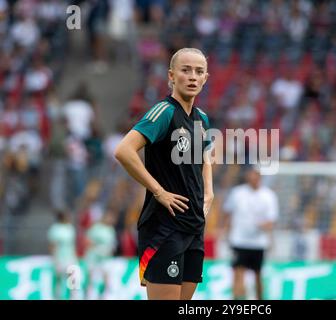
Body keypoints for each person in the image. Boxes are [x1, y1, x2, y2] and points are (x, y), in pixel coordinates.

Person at [114, 47, 214, 300]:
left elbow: (204, 156)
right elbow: (124, 150)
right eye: (186, 70)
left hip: (193, 227)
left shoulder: (202, 118)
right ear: (171, 76)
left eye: (199, 71)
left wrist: (209, 192)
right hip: (164, 227)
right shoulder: (164, 112)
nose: (193, 76)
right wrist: (159, 192)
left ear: (206, 78)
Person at [221, 166, 279, 300]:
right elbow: (227, 213)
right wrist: (224, 230)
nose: (254, 177)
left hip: (258, 243)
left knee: (258, 275)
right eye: (252, 174)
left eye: (256, 175)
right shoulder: (237, 193)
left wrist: (263, 226)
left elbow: (272, 221)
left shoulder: (268, 196)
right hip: (239, 240)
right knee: (238, 273)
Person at [84, 211, 117, 300]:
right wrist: (97, 249)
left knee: (106, 278)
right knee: (91, 279)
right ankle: (88, 296)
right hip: (93, 258)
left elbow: (112, 245)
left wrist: (109, 251)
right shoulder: (96, 228)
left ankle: (103, 296)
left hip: (105, 259)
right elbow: (88, 241)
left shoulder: (111, 230)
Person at [47, 210, 79, 300]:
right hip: (60, 259)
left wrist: (75, 256)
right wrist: (54, 259)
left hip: (70, 258)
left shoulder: (70, 228)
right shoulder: (55, 229)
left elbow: (72, 244)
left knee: (72, 280)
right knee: (59, 281)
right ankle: (57, 297)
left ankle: (73, 297)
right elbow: (52, 245)